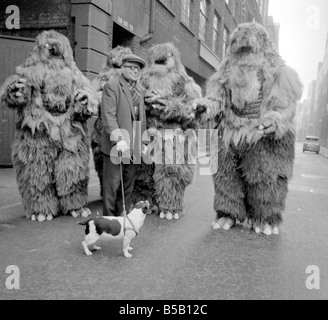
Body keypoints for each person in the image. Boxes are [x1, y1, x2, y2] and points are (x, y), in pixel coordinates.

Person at [101, 53, 147, 216]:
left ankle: (122, 214)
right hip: (117, 145)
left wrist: (143, 142)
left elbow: (141, 118)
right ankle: (108, 217)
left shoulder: (139, 91)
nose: (135, 71)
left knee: (128, 183)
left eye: (138, 69)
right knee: (112, 184)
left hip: (133, 145)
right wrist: (118, 139)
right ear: (123, 68)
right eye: (132, 68)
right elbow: (108, 115)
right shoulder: (112, 85)